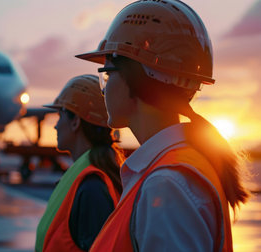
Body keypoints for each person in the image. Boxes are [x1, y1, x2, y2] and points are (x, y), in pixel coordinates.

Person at [75, 1, 250, 251]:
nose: (104, 89)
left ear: (135, 78)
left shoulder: (167, 185)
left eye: (106, 74)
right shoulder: (172, 170)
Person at [35, 74, 124, 252]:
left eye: (60, 116)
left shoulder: (92, 188)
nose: (55, 126)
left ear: (75, 122)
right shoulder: (88, 178)